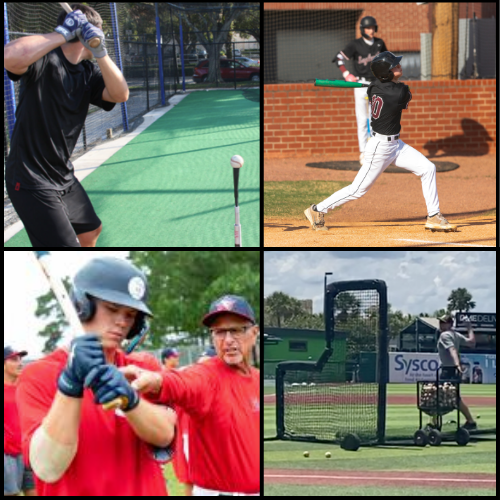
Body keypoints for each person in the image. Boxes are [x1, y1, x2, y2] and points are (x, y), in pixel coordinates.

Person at [16, 257, 176, 495]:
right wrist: (70, 385)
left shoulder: (142, 368)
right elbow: (48, 467)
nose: (122, 322)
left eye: (130, 315)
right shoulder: (38, 375)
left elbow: (164, 436)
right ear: (82, 305)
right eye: (112, 309)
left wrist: (131, 401)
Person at [4, 4, 129, 246]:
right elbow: (9, 56)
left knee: (91, 230)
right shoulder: (44, 60)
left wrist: (101, 52)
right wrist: (63, 33)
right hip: (30, 178)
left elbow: (121, 94)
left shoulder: (87, 71)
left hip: (62, 174)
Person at [118, 295, 261, 496]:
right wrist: (155, 380)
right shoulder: (207, 375)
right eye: (219, 332)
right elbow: (182, 382)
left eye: (236, 330)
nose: (228, 340)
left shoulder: (257, 379)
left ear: (254, 333)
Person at [305, 50, 458, 233]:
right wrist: (393, 85)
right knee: (358, 190)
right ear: (386, 73)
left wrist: (383, 82)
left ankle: (434, 216)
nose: (399, 66)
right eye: (394, 66)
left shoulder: (374, 87)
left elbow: (384, 86)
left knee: (428, 168)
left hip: (396, 145)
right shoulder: (398, 92)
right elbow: (405, 94)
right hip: (380, 148)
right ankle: (317, 210)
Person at [4, 347, 37, 496]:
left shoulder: (25, 388)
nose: (20, 363)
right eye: (14, 359)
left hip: (28, 452)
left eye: (20, 359)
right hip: (8, 455)